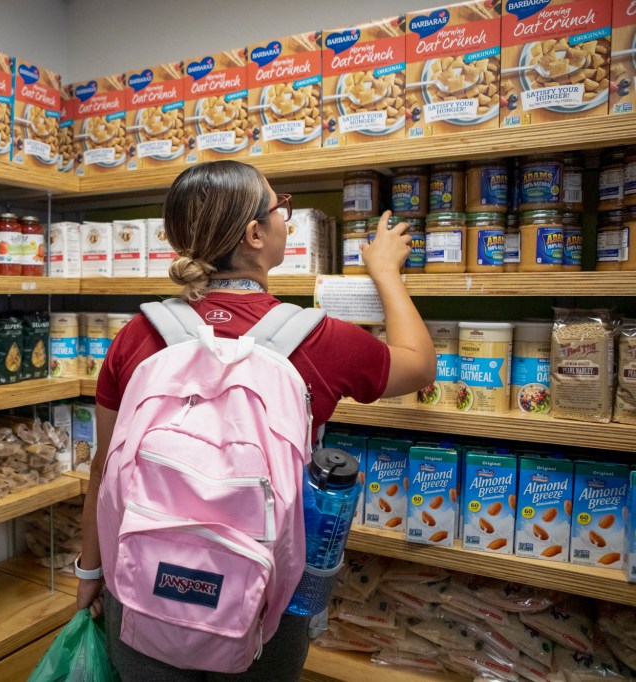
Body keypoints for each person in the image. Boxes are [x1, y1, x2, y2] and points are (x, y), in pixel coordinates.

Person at [76, 160, 436, 681]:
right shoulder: (317, 341)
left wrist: (91, 571)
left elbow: (102, 470)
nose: (285, 217)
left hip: (139, 591)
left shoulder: (137, 336)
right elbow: (420, 363)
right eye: (280, 207)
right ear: (255, 234)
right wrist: (385, 273)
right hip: (265, 605)